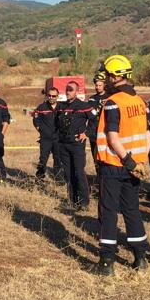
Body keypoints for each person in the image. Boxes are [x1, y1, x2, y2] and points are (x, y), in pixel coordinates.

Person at [93, 55, 150, 276]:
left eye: (107, 75)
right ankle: (140, 258)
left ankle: (106, 261)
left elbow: (112, 137)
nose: (105, 79)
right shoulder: (139, 101)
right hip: (134, 166)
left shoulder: (113, 102)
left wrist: (126, 159)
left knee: (108, 211)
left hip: (115, 163)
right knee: (131, 209)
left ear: (115, 77)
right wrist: (140, 162)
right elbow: (146, 134)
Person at [56, 81, 93, 209]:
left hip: (77, 145)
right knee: (68, 173)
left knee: (79, 172)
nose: (68, 92)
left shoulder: (84, 106)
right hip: (63, 144)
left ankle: (84, 202)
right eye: (67, 89)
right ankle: (72, 200)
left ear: (77, 91)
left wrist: (86, 133)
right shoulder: (61, 106)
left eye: (71, 89)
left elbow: (95, 120)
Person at [32, 86, 60, 180]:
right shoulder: (41, 107)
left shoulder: (62, 107)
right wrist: (42, 131)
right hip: (45, 139)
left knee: (58, 159)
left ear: (57, 96)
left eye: (54, 96)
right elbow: (36, 121)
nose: (51, 97)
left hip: (58, 138)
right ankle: (40, 178)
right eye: (49, 95)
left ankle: (58, 179)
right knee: (43, 159)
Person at [86, 71, 108, 173]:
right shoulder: (91, 99)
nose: (97, 87)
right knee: (96, 158)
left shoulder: (110, 97)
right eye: (96, 85)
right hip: (93, 133)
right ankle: (99, 178)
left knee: (105, 158)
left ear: (104, 85)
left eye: (100, 85)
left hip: (105, 133)